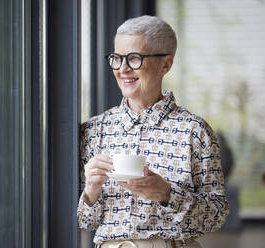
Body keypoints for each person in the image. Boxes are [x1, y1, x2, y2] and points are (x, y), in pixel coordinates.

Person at [77, 15, 229, 248]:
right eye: (117, 58)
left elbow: (216, 216)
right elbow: (85, 221)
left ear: (165, 64)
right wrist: (91, 191)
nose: (122, 69)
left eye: (134, 58)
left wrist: (168, 194)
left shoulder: (195, 132)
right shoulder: (94, 130)